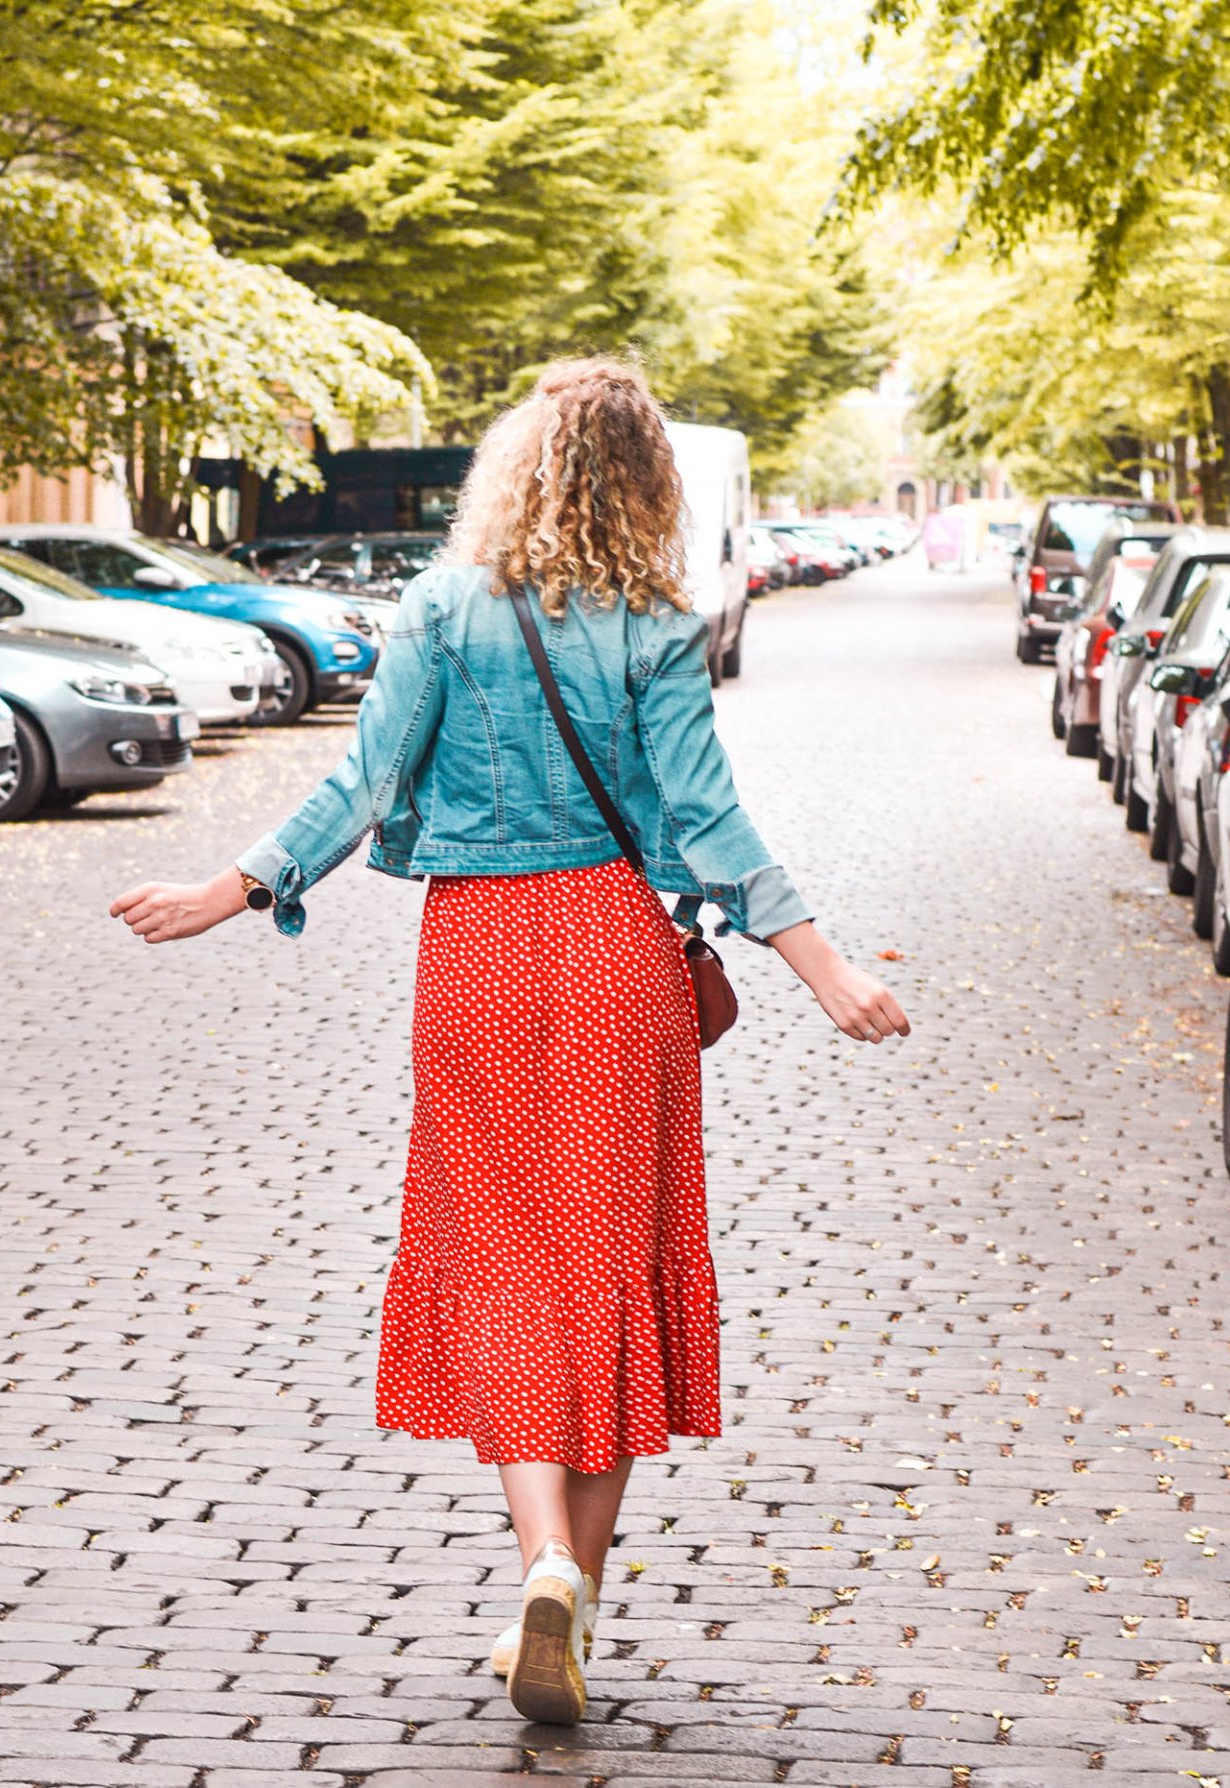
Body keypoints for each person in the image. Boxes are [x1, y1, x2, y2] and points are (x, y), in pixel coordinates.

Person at [110, 357, 909, 1727]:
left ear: (516, 466)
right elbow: (707, 818)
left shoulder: (439, 606)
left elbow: (364, 780)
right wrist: (821, 965)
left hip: (477, 957)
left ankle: (538, 1557)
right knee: (613, 1260)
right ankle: (574, 1600)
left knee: (502, 1253)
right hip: (613, 952)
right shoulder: (655, 620)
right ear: (645, 482)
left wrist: (226, 889)